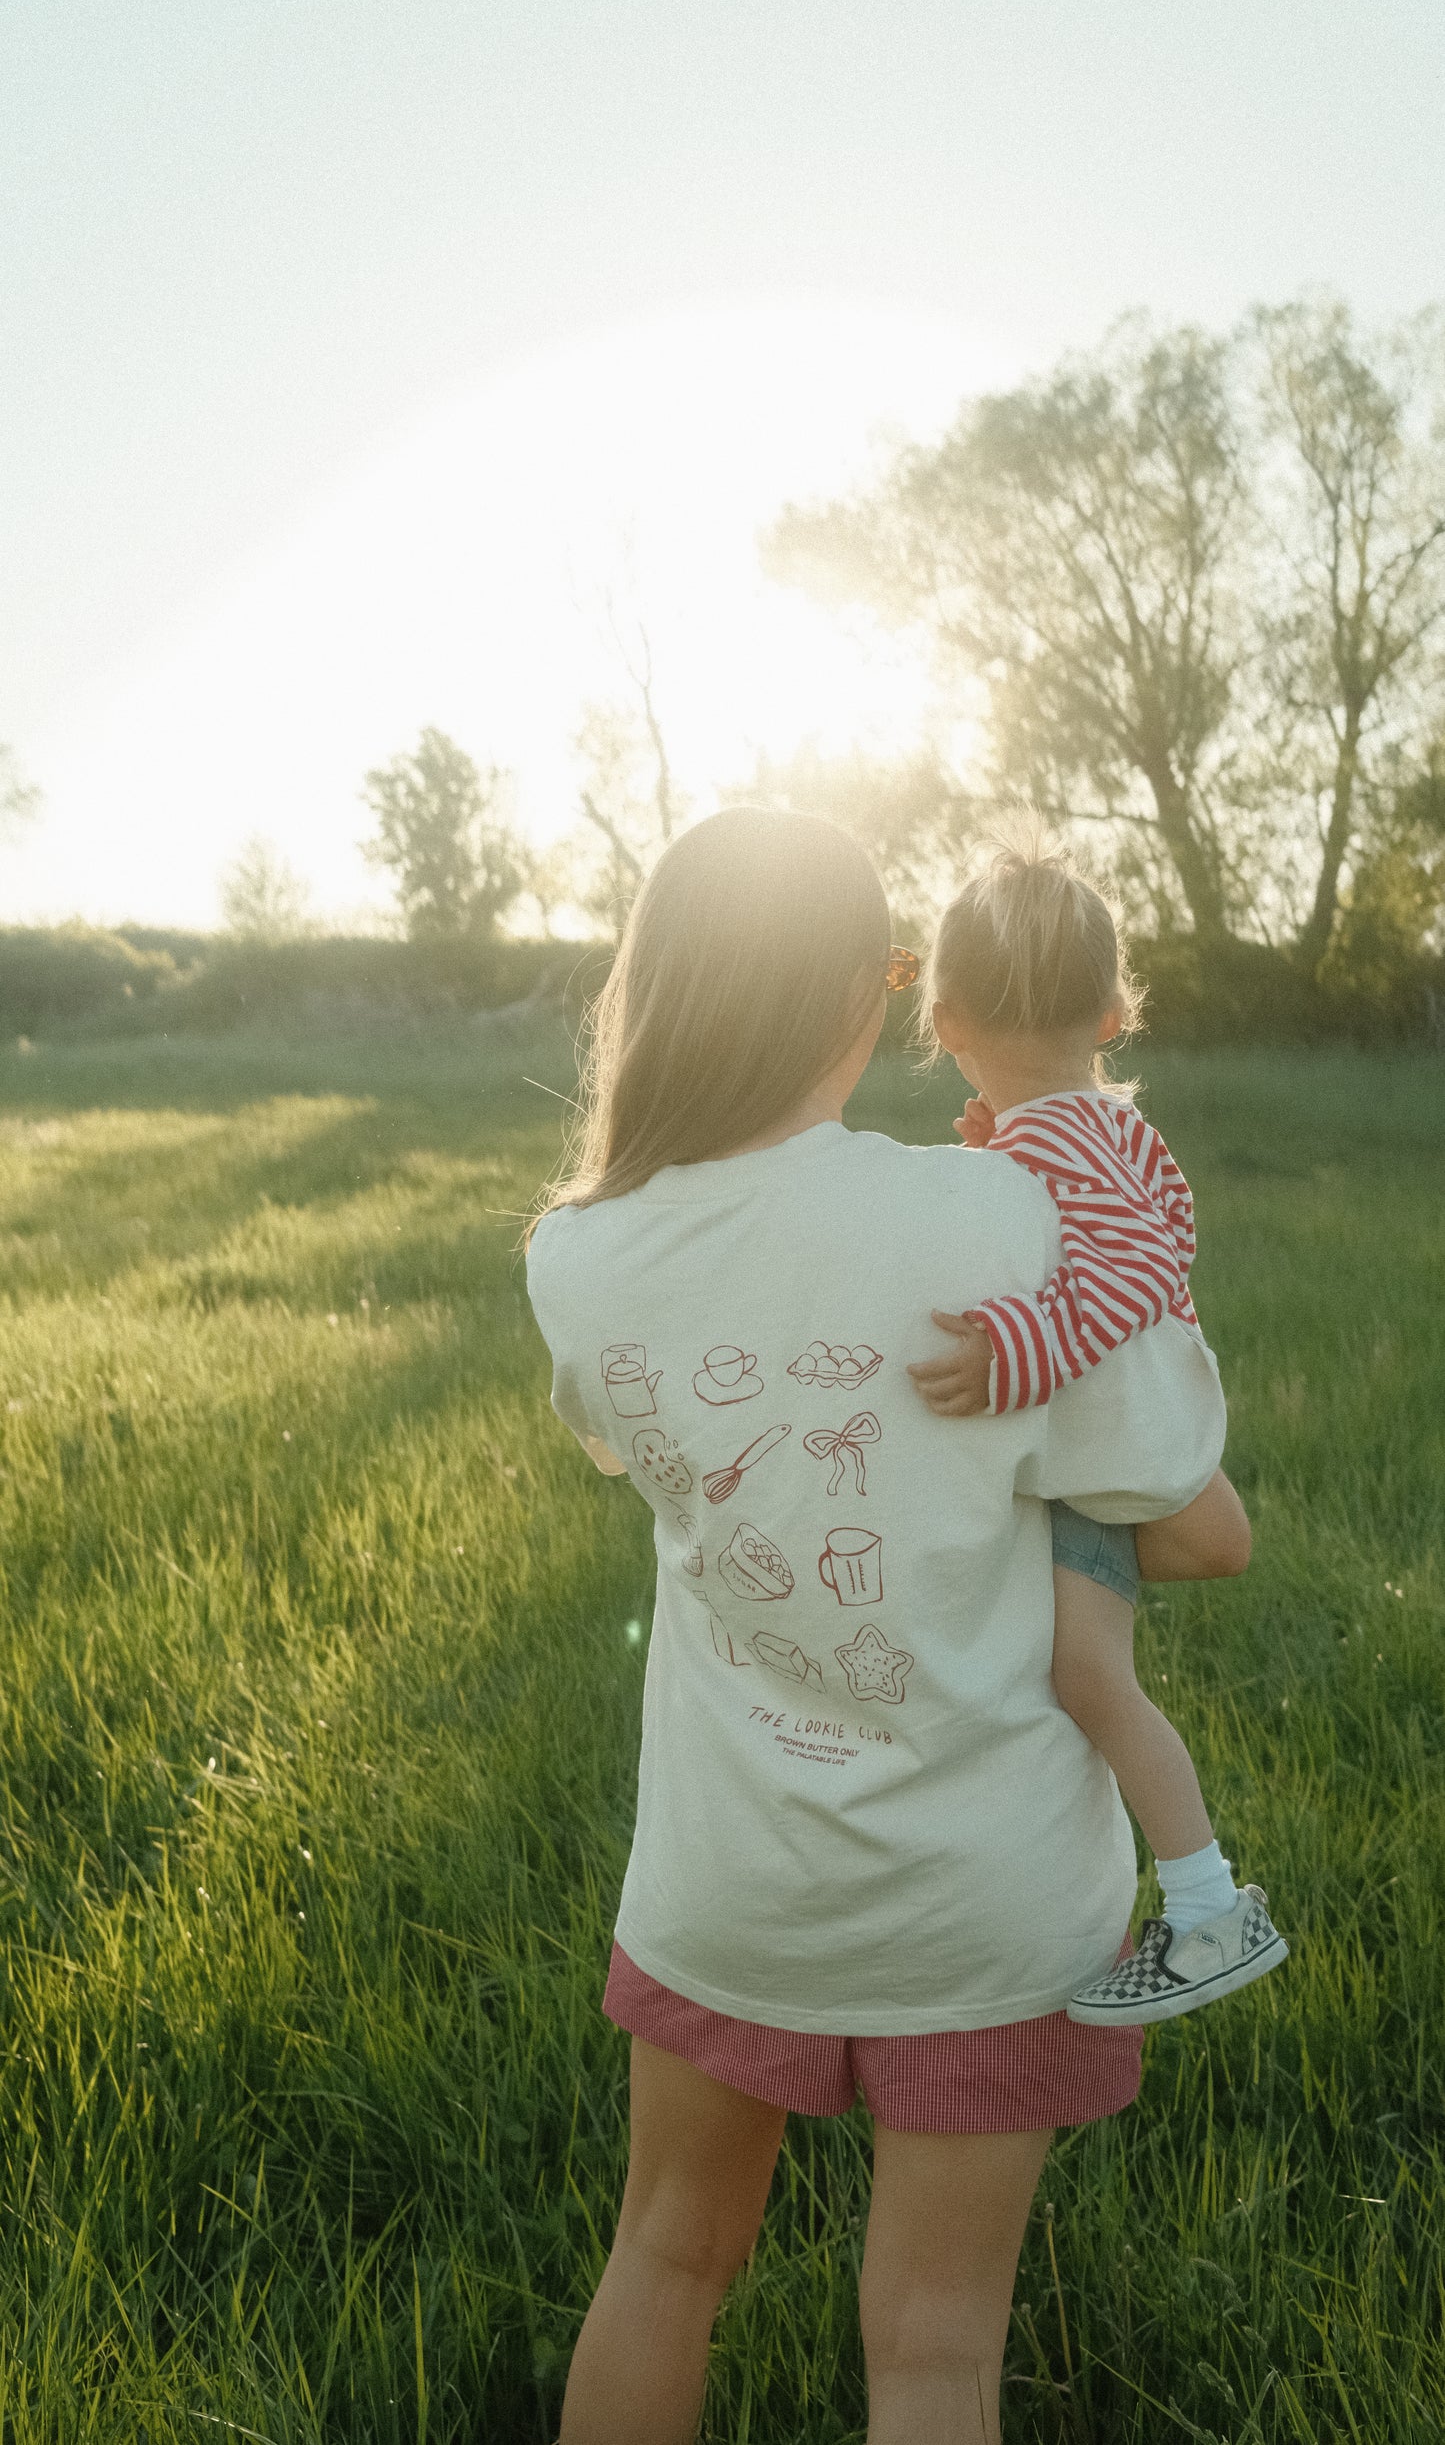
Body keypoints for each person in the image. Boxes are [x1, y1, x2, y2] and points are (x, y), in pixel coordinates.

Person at [526, 807, 1248, 2445]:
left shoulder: (579, 1255)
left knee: (665, 2256)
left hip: (733, 1873)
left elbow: (646, 1447)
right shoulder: (1001, 1218)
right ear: (881, 986)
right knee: (934, 2350)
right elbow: (1192, 1521)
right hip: (986, 1897)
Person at [905, 828, 1287, 2027]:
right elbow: (1155, 1238)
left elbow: (1123, 1269)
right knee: (1090, 1663)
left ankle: (1209, 1906)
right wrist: (1007, 1177)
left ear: (945, 1018)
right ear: (1113, 1008)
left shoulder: (1054, 1138)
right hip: (1142, 1435)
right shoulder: (1102, 1128)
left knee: (1089, 1678)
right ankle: (1194, 1898)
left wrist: (1017, 1347)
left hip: (1109, 1457)